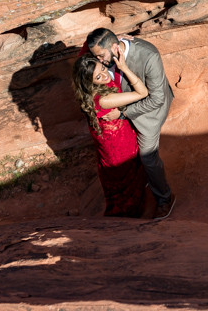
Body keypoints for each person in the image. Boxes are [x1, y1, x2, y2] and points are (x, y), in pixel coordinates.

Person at [86, 27, 176, 219]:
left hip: (148, 115)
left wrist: (123, 113)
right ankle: (142, 182)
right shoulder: (106, 52)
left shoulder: (148, 56)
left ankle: (165, 199)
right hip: (124, 109)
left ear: (114, 47)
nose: (100, 61)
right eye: (97, 57)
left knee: (148, 158)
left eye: (101, 56)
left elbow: (156, 99)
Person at [71, 47, 148, 217]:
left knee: (120, 180)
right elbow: (142, 92)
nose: (105, 75)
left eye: (103, 68)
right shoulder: (105, 100)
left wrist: (115, 39)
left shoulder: (87, 86)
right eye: (98, 76)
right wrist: (124, 68)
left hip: (107, 142)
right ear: (90, 82)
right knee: (127, 178)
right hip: (119, 146)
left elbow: (87, 46)